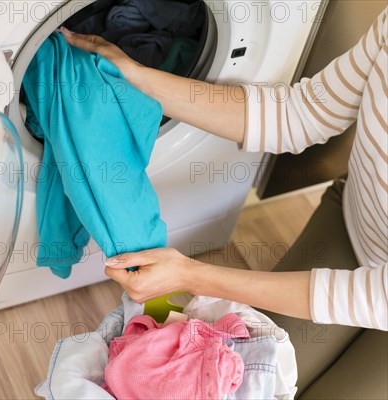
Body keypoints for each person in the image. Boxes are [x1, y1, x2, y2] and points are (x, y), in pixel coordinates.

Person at [61, 6, 387, 399]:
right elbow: (303, 113)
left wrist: (190, 275)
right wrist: (137, 77)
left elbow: (375, 297)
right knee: (248, 378)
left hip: (377, 291)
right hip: (357, 227)